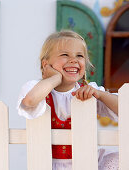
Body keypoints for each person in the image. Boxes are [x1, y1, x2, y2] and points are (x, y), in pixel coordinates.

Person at [17, 30, 118, 170]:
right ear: (46, 64)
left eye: (80, 55)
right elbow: (29, 101)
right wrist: (55, 78)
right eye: (65, 54)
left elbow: (124, 110)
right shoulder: (38, 89)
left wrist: (100, 95)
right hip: (49, 163)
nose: (74, 60)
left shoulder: (90, 90)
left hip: (88, 162)